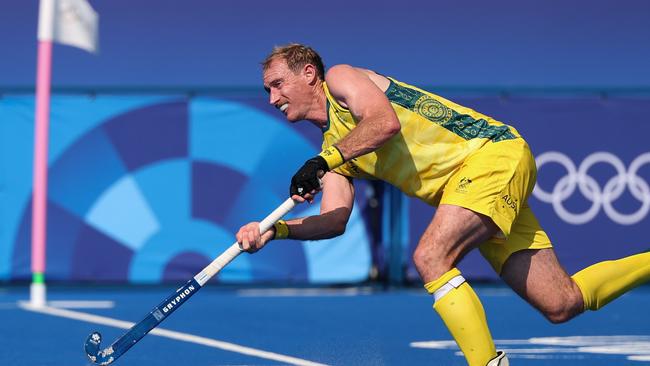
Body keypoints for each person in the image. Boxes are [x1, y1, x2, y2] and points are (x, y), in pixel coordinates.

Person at [235, 44, 650, 366]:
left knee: (431, 256)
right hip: (466, 188)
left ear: (309, 73)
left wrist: (322, 161)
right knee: (563, 303)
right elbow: (336, 218)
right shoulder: (334, 150)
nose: (272, 99)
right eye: (268, 90)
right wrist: (278, 231)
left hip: (491, 155)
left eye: (277, 85)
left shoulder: (342, 81)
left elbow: (384, 123)